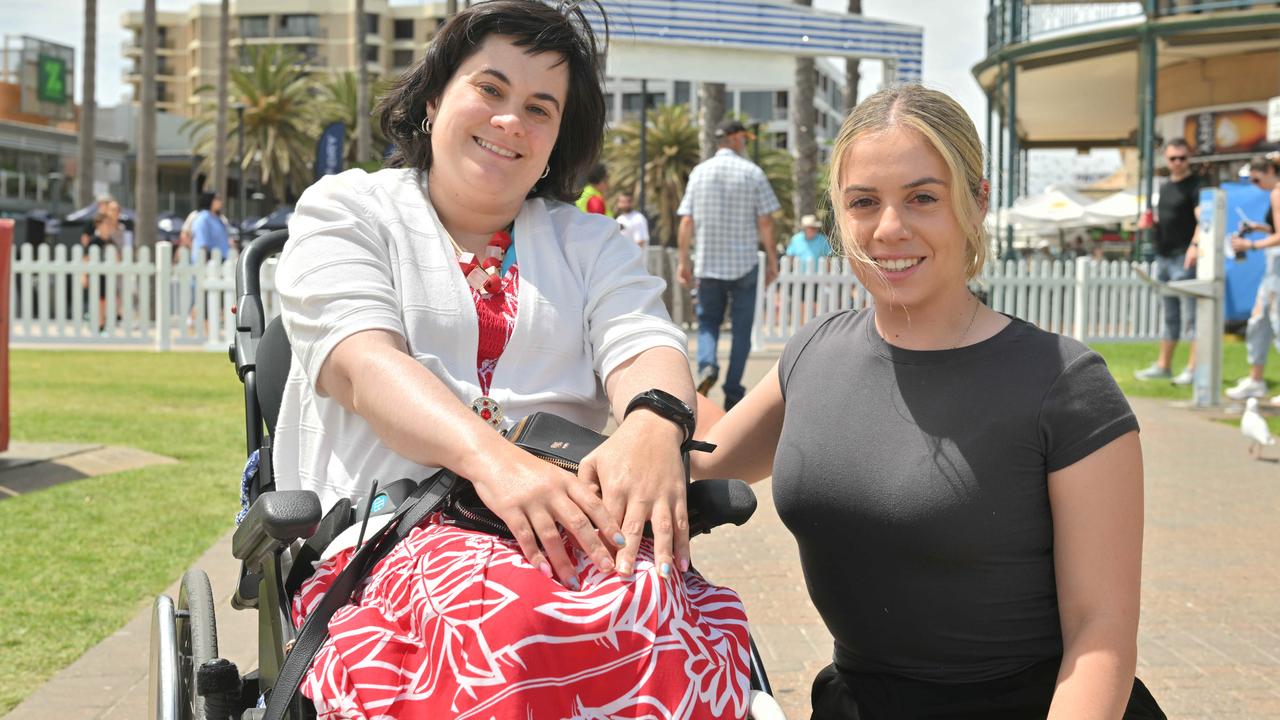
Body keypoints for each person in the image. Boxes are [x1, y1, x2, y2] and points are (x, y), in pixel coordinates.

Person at [272, 2, 751, 717]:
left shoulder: (591, 244)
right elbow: (365, 365)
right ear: (434, 99)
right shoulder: (348, 212)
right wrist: (494, 462)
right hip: (391, 542)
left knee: (662, 614)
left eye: (539, 107)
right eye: (490, 90)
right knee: (508, 621)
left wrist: (655, 424)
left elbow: (643, 340)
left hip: (580, 536)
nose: (509, 121)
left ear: (557, 140)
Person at [691, 85, 1164, 718]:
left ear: (977, 201)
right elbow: (699, 460)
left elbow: (1100, 633)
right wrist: (642, 384)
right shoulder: (813, 353)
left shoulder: (1064, 384)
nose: (890, 228)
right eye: (864, 202)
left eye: (922, 198)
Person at [677, 119, 781, 408]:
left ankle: (708, 365)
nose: (745, 143)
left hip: (708, 264)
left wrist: (683, 261)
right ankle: (733, 390)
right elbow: (766, 220)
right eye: (744, 139)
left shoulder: (699, 173)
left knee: (708, 322)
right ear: (735, 139)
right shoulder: (752, 172)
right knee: (741, 329)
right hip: (744, 264)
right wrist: (772, 259)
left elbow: (686, 220)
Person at [1135, 138, 1201, 385]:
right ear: (1166, 159)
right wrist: (1149, 224)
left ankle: (1194, 369)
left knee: (1194, 316)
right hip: (1164, 257)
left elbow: (1203, 221)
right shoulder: (1164, 187)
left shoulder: (1196, 186)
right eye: (1173, 158)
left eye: (1182, 158)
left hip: (1184, 258)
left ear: (1189, 157)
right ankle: (1164, 366)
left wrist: (1195, 246)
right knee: (1170, 315)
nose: (1178, 163)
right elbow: (1166, 221)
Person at [1225, 152, 1280, 401]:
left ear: (1269, 172)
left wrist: (1251, 246)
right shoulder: (1274, 193)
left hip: (1276, 268)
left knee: (1274, 322)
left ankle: (1257, 379)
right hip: (1273, 269)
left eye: (1256, 180)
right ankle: (1256, 379)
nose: (1255, 186)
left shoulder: (1277, 193)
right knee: (1259, 321)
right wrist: (1260, 228)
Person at [190, 191, 231, 262]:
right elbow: (201, 242)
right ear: (210, 200)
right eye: (217, 199)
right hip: (208, 261)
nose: (220, 201)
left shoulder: (218, 219)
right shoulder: (203, 218)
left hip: (221, 260)